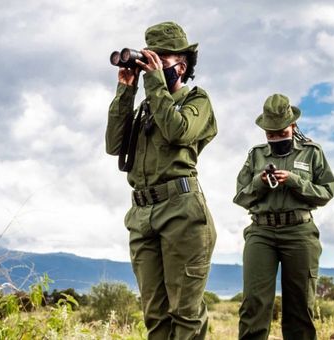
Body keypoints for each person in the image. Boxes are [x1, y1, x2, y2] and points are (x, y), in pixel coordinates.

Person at [105, 21, 217, 339]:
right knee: (154, 314)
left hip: (182, 211)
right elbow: (114, 145)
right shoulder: (144, 109)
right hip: (142, 215)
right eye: (149, 59)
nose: (151, 66)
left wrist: (154, 84)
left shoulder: (198, 100)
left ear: (180, 66)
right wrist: (126, 90)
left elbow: (178, 131)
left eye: (160, 60)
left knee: (185, 313)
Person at [234, 94, 334, 340]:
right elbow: (240, 197)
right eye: (270, 134)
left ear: (292, 126)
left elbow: (326, 193)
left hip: (300, 232)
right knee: (254, 303)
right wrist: (259, 183)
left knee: (300, 304)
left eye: (281, 133)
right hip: (261, 231)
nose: (276, 138)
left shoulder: (312, 153)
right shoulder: (256, 155)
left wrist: (294, 181)